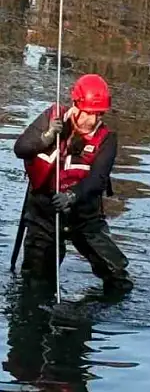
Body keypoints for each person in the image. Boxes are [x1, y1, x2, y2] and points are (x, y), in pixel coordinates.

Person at [12, 73, 132, 293]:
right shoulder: (52, 118)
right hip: (44, 213)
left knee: (118, 277)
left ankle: (96, 312)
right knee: (36, 284)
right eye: (88, 113)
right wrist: (46, 138)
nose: (92, 120)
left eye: (98, 115)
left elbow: (98, 179)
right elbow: (21, 149)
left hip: (84, 214)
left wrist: (72, 196)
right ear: (76, 106)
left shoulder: (107, 139)